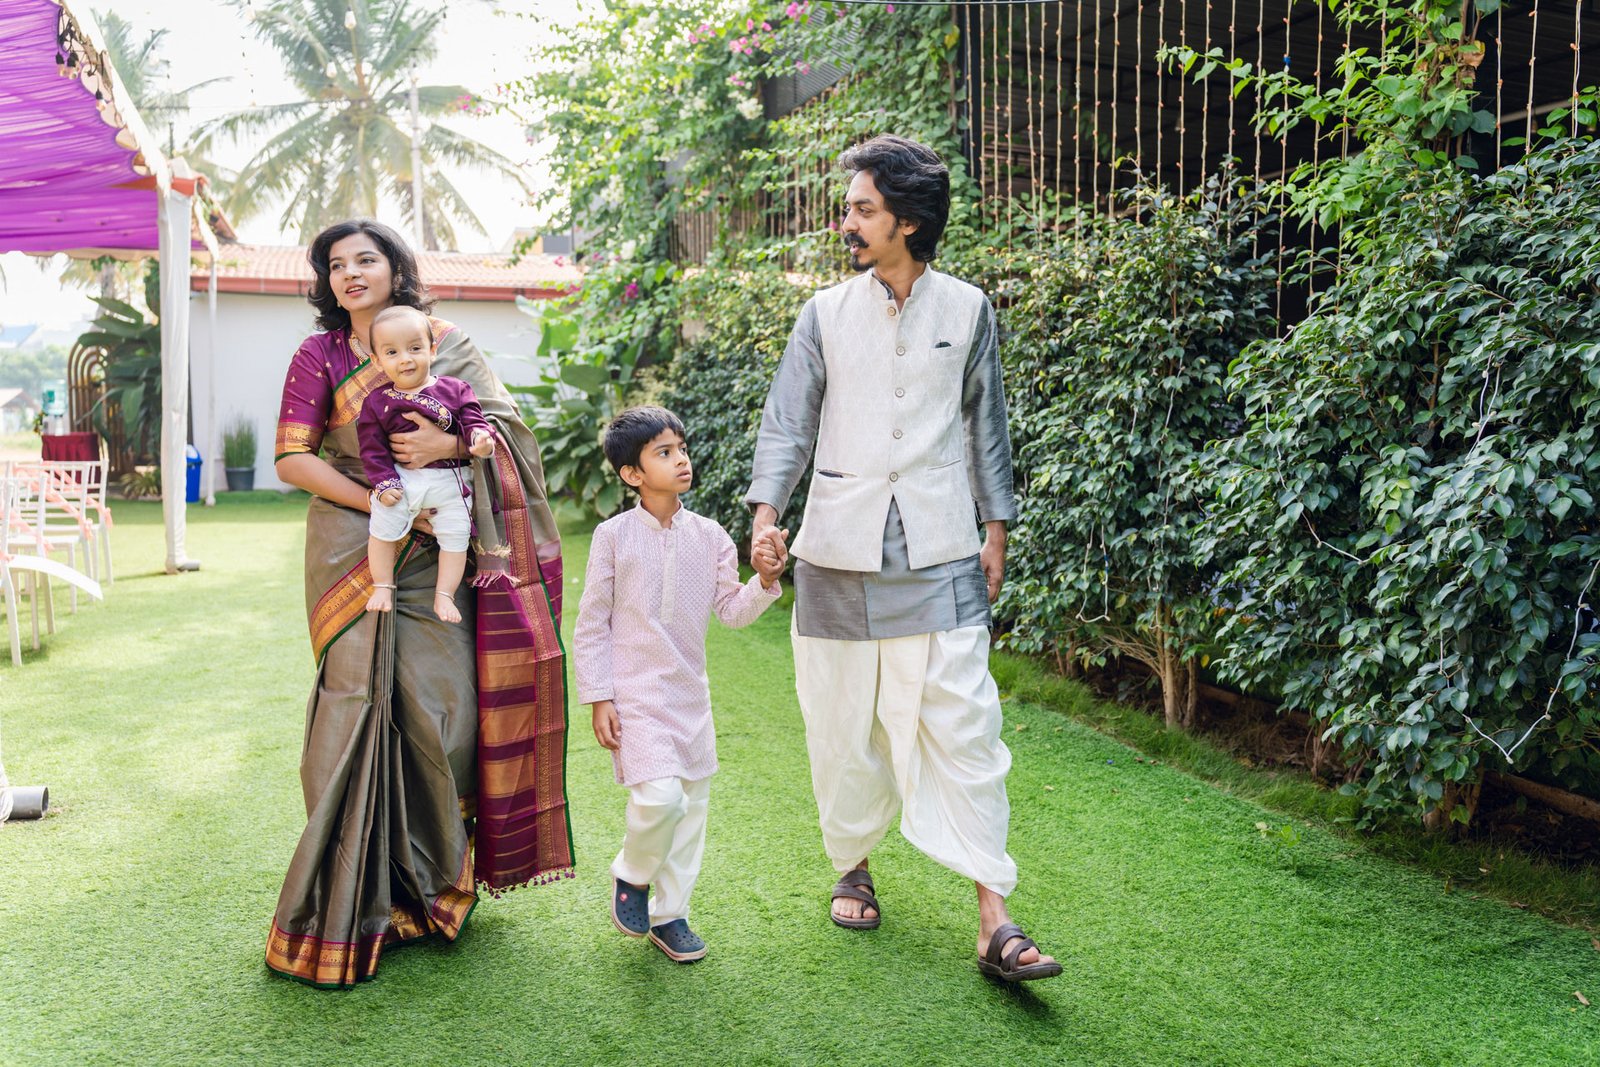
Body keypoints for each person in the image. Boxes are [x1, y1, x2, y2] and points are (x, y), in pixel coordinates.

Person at [745, 135, 1061, 982]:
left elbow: (986, 426)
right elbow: (788, 423)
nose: (846, 223)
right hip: (836, 550)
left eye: (863, 209)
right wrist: (767, 516)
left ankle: (995, 914)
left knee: (966, 723)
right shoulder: (822, 314)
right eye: (849, 208)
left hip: (943, 545)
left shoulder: (969, 310)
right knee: (842, 723)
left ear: (908, 221)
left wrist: (996, 529)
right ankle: (853, 863)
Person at [268, 219, 573, 988]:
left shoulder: (445, 342)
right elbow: (293, 457)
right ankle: (358, 896)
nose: (350, 273)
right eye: (336, 264)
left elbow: (505, 432)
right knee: (352, 711)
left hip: (441, 541)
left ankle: (432, 883)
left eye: (365, 259)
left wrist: (449, 449)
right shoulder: (319, 355)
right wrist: (384, 501)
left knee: (446, 713)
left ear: (394, 267)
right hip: (355, 545)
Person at [574, 406, 788, 963]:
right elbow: (592, 621)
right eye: (664, 453)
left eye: (681, 449)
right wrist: (599, 697)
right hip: (635, 696)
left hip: (691, 696)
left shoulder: (711, 537)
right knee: (661, 798)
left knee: (690, 811)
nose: (681, 460)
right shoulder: (613, 537)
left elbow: (732, 612)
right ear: (632, 474)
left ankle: (670, 917)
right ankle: (633, 873)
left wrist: (765, 580)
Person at [358, 305, 497, 624]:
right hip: (403, 481)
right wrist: (384, 483)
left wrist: (481, 439)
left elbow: (474, 422)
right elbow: (372, 450)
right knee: (382, 526)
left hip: (452, 481)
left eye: (415, 348)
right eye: (392, 352)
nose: (405, 359)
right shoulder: (376, 403)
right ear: (377, 361)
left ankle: (444, 595)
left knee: (456, 536)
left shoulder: (456, 390)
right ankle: (382, 586)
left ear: (432, 350)